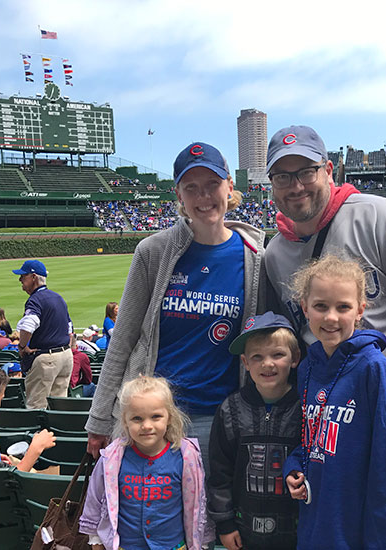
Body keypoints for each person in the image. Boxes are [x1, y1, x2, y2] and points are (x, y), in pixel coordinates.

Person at [263, 125, 386, 549]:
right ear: (272, 186)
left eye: (306, 171)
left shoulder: (378, 213)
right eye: (283, 176)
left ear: (328, 170)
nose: (295, 185)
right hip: (340, 434)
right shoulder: (276, 255)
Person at [86, 142, 266, 474]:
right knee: (155, 521)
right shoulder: (152, 251)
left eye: (212, 185)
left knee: (211, 521)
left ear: (229, 186)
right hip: (154, 420)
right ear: (178, 194)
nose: (203, 197)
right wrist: (98, 418)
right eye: (191, 188)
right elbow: (122, 339)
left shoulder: (255, 256)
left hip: (221, 418)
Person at [283, 255, 386, 549]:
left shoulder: (374, 369)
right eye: (320, 306)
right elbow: (311, 439)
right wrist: (293, 466)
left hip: (356, 530)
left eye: (343, 307)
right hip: (316, 523)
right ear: (305, 308)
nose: (331, 317)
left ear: (360, 311)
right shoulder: (308, 368)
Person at [79, 376, 213, 550]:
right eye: (137, 418)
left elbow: (198, 502)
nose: (147, 425)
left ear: (169, 418)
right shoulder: (112, 458)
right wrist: (95, 540)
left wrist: (200, 542)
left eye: (156, 416)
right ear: (125, 421)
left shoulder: (186, 456)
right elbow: (94, 500)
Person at [208, 312, 301, 550]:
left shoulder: (307, 407)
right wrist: (225, 525)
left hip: (298, 530)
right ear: (245, 362)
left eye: (278, 354)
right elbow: (220, 474)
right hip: (246, 531)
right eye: (257, 357)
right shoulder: (230, 410)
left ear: (295, 357)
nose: (267, 363)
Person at [13, 259, 74, 409]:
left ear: (33, 277)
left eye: (23, 276)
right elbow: (70, 329)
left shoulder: (35, 300)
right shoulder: (58, 297)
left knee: (36, 406)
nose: (20, 279)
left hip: (47, 358)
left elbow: (28, 325)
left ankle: (39, 433)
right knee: (59, 406)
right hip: (66, 356)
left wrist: (22, 346)